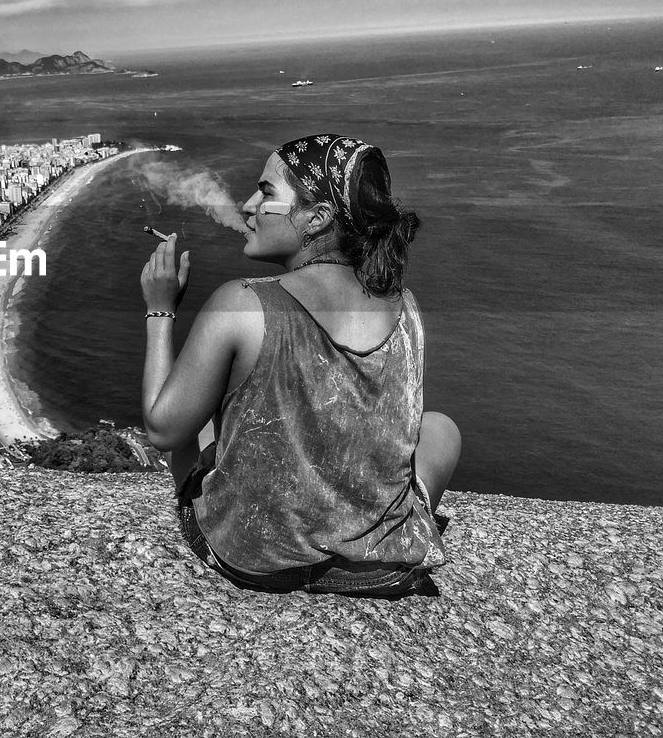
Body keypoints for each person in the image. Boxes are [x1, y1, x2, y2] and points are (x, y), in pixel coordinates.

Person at [140, 134, 460, 597]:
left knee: (199, 423)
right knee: (442, 429)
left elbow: (162, 430)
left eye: (267, 193)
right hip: (377, 567)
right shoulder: (404, 304)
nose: (248, 206)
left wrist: (160, 308)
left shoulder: (243, 302)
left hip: (257, 559)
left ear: (317, 218)